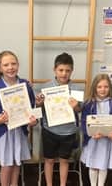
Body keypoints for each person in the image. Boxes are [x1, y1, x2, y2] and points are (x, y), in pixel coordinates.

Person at [0, 50, 37, 186]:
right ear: (0, 68)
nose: (10, 67)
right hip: (4, 132)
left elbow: (31, 107)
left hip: (20, 131)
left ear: (18, 65)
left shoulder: (25, 85)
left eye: (13, 63)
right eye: (6, 65)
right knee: (7, 165)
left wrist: (33, 121)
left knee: (16, 163)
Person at [35, 52, 81, 186]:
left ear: (72, 71)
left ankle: (62, 184)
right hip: (50, 130)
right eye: (61, 70)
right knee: (49, 160)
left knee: (64, 161)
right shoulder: (46, 87)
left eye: (67, 70)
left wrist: (76, 106)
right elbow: (39, 109)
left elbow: (79, 110)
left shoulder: (76, 88)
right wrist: (39, 103)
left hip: (69, 132)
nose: (64, 73)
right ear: (54, 70)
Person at [80, 74, 112, 186]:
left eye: (106, 87)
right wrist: (90, 134)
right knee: (93, 164)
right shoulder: (88, 104)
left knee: (103, 165)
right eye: (99, 87)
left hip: (107, 141)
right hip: (93, 140)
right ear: (94, 87)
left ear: (110, 88)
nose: (103, 90)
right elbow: (84, 122)